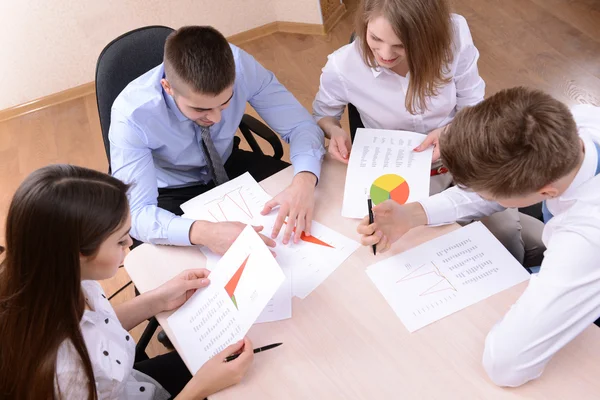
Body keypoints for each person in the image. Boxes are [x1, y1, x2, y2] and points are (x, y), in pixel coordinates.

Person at [357, 87, 600, 387]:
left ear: (546, 192)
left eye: (483, 192)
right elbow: (499, 189)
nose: (477, 195)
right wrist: (414, 214)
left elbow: (507, 365)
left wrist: (523, 310)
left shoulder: (586, 239)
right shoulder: (568, 127)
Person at [312, 0, 544, 266]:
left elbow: (473, 100)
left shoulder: (454, 35)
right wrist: (334, 130)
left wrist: (452, 130)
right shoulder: (343, 66)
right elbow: (323, 113)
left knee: (504, 235)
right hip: (400, 169)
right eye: (375, 38)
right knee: (431, 245)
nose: (385, 54)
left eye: (401, 45)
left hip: (463, 143)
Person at [0, 164, 254, 399]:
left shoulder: (53, 276)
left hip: (134, 384)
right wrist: (200, 388)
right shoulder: (64, 374)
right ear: (77, 253)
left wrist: (159, 299)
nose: (130, 243)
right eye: (121, 240)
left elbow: (97, 328)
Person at [110, 26, 325, 253]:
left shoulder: (241, 66)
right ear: (168, 87)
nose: (216, 117)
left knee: (314, 218)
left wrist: (304, 180)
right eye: (200, 109)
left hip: (227, 161)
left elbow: (300, 125)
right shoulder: (132, 114)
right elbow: (137, 213)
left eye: (225, 102)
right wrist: (205, 233)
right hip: (170, 188)